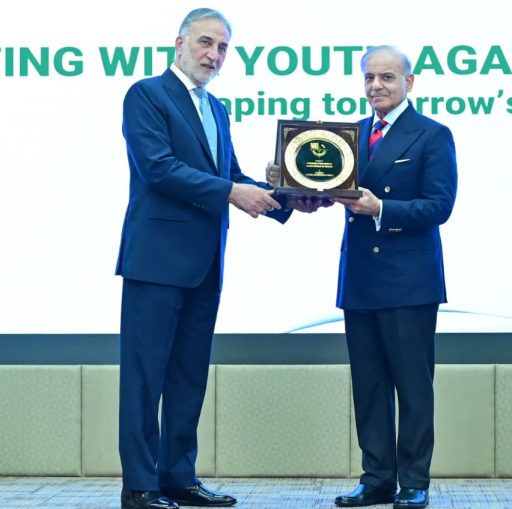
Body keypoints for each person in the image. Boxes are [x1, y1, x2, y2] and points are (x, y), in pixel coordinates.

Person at [115, 8, 295, 509]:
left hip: (206, 261)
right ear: (179, 43)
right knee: (144, 377)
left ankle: (178, 477)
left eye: (222, 48)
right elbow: (159, 169)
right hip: (155, 262)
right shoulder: (146, 95)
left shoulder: (216, 109)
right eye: (206, 43)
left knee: (189, 375)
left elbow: (232, 174)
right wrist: (234, 191)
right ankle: (141, 486)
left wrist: (291, 196)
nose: (213, 55)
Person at [333, 45, 458, 509]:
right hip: (361, 277)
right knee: (368, 386)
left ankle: (414, 480)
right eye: (368, 78)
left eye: (386, 77)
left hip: (409, 280)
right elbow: (330, 189)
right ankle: (376, 478)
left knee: (411, 384)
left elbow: (439, 206)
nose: (376, 86)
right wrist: (293, 183)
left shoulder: (432, 134)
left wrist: (381, 207)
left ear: (410, 82)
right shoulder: (351, 135)